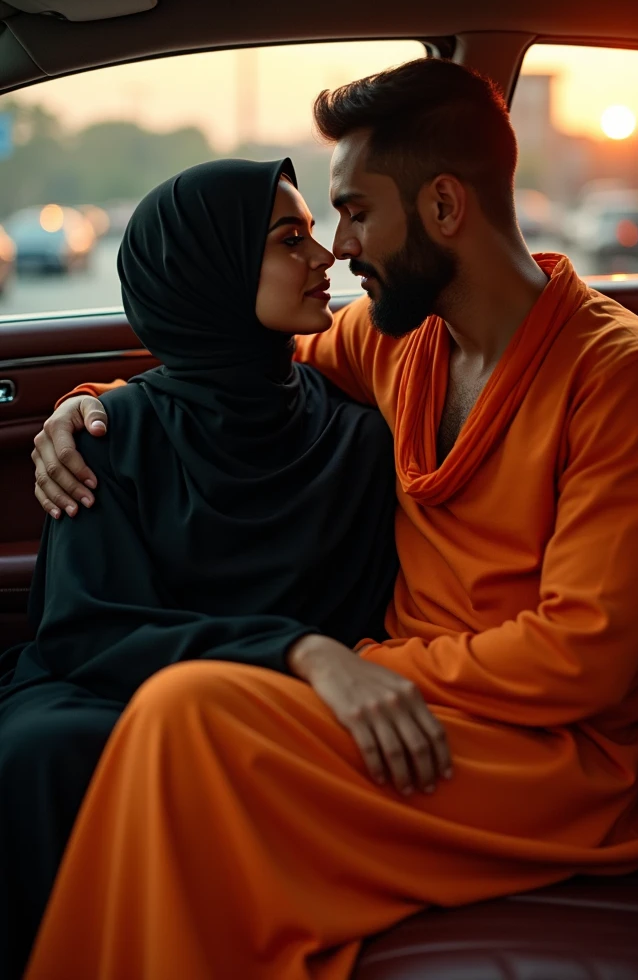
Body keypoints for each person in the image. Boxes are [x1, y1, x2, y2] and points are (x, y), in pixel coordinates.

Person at [27, 59, 638, 980]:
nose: (338, 249)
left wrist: (359, 665)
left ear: (445, 208)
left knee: (186, 713)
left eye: (356, 212)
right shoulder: (397, 337)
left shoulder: (625, 382)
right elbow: (227, 372)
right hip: (407, 713)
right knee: (169, 723)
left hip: (544, 761)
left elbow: (582, 656)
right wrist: (91, 409)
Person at [1, 157, 416, 979]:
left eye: (313, 234)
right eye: (288, 238)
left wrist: (292, 668)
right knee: (46, 752)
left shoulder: (356, 442)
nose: (323, 257)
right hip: (103, 689)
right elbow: (87, 629)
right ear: (207, 266)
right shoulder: (111, 432)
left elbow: (357, 614)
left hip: (266, 716)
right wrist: (288, 647)